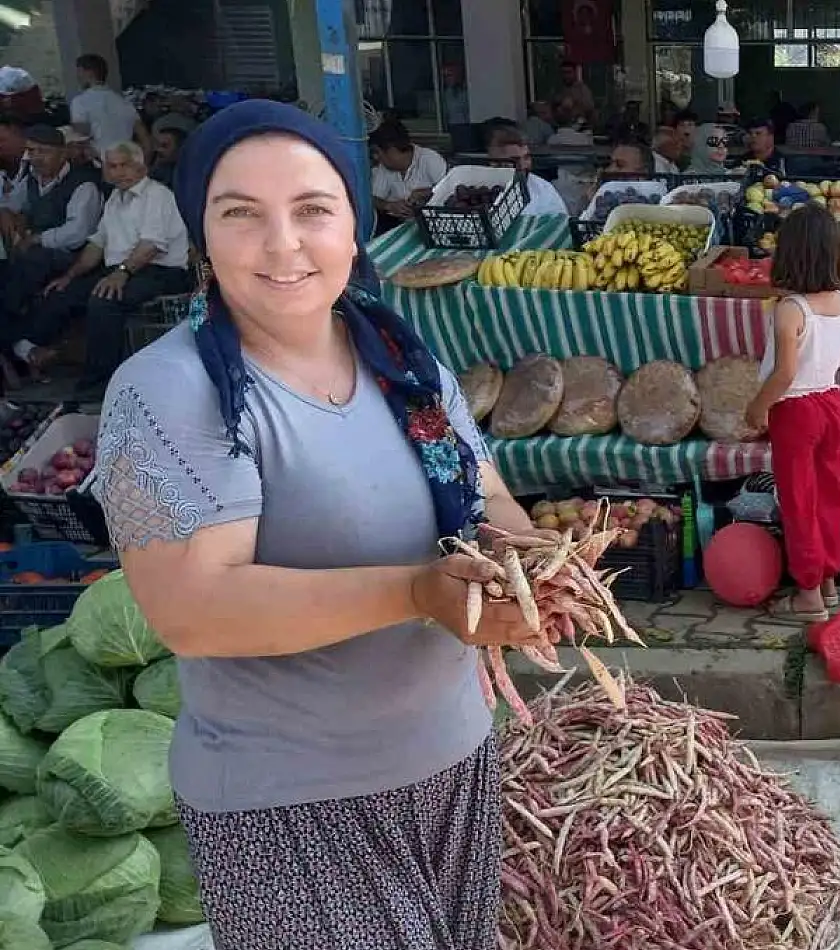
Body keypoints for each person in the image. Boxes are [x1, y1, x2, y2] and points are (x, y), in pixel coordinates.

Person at [90, 98, 545, 950]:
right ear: (201, 235)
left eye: (312, 211)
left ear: (353, 222)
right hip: (287, 803)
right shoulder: (169, 391)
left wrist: (532, 562)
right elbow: (193, 609)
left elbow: (487, 500)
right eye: (240, 215)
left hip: (452, 765)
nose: (282, 245)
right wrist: (416, 591)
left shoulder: (402, 359)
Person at [742, 203, 840, 623]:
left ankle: (807, 593)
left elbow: (785, 372)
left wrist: (758, 408)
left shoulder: (791, 308)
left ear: (789, 254)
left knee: (799, 499)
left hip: (796, 409)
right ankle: (827, 580)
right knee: (830, 493)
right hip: (831, 403)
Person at [23, 141, 192, 395]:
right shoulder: (115, 198)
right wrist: (69, 276)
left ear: (141, 167)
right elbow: (97, 245)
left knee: (105, 300)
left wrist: (121, 273)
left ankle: (99, 383)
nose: (119, 172)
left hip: (161, 271)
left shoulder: (157, 195)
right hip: (126, 269)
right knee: (62, 294)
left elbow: (151, 245)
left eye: (126, 165)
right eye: (112, 166)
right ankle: (35, 354)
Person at [0, 126, 104, 332]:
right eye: (31, 151)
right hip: (33, 253)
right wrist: (8, 216)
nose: (36, 158)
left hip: (73, 256)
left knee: (34, 259)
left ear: (62, 153)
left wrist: (36, 238)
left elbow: (77, 233)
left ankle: (8, 320)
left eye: (44, 151)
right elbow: (12, 204)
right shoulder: (32, 178)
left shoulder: (83, 185)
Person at [369, 123, 448, 231]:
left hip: (435, 226)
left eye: (378, 152)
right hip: (400, 227)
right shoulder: (384, 168)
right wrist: (389, 205)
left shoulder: (429, 159)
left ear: (392, 150)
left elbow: (451, 191)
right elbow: (373, 199)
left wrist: (427, 194)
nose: (376, 157)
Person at [70, 54, 149, 158]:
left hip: (98, 164)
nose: (78, 77)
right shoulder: (125, 103)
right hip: (125, 163)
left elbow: (80, 136)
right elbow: (146, 141)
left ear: (88, 72)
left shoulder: (80, 102)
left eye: (79, 72)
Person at [484, 126, 567, 218]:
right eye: (515, 160)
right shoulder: (479, 191)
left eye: (526, 157)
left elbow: (560, 227)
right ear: (494, 163)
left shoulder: (543, 189)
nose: (523, 165)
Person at [440, 62, 474, 154]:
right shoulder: (446, 92)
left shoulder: (469, 90)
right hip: (452, 126)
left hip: (467, 127)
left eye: (449, 75)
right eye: (445, 76)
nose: (446, 79)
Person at [556, 61, 597, 127]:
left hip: (581, 127)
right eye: (564, 73)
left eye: (569, 72)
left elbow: (590, 107)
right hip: (562, 127)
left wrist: (574, 102)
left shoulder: (582, 89)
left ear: (574, 73)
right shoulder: (558, 89)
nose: (566, 76)